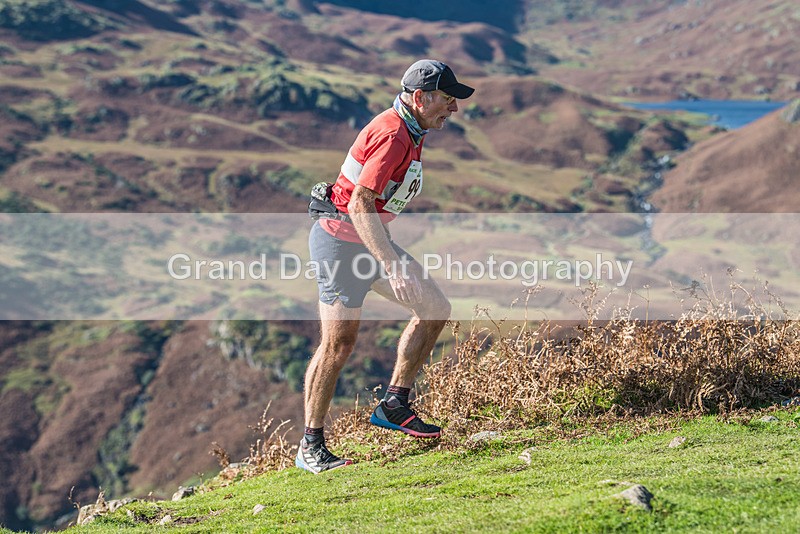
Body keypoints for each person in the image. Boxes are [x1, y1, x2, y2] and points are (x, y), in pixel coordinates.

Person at [296, 59, 475, 474]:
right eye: (447, 100)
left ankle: (394, 404)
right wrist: (392, 264)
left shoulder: (413, 128)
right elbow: (360, 201)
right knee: (338, 346)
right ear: (421, 98)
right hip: (340, 245)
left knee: (434, 308)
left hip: (368, 240)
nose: (453, 108)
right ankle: (311, 445)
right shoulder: (395, 134)